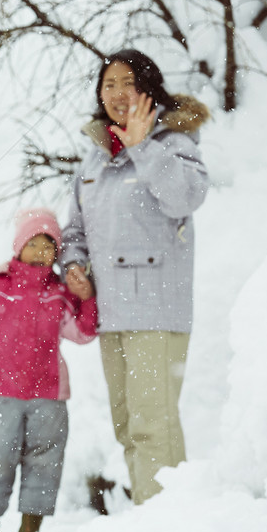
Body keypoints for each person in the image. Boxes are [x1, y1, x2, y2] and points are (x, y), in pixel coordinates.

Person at [60, 49, 210, 505]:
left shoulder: (175, 144)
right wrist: (73, 266)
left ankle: (166, 525)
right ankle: (155, 516)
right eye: (108, 84)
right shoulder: (94, 160)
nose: (117, 93)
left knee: (153, 424)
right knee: (128, 424)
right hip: (113, 313)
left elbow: (184, 198)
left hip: (156, 312)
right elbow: (75, 231)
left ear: (148, 89)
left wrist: (144, 146)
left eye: (127, 82)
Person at [0, 209, 98, 532]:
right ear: (18, 246)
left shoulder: (61, 292)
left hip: (49, 394)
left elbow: (84, 332)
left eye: (49, 246)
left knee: (45, 461)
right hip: (4, 391)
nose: (41, 251)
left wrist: (86, 298)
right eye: (34, 243)